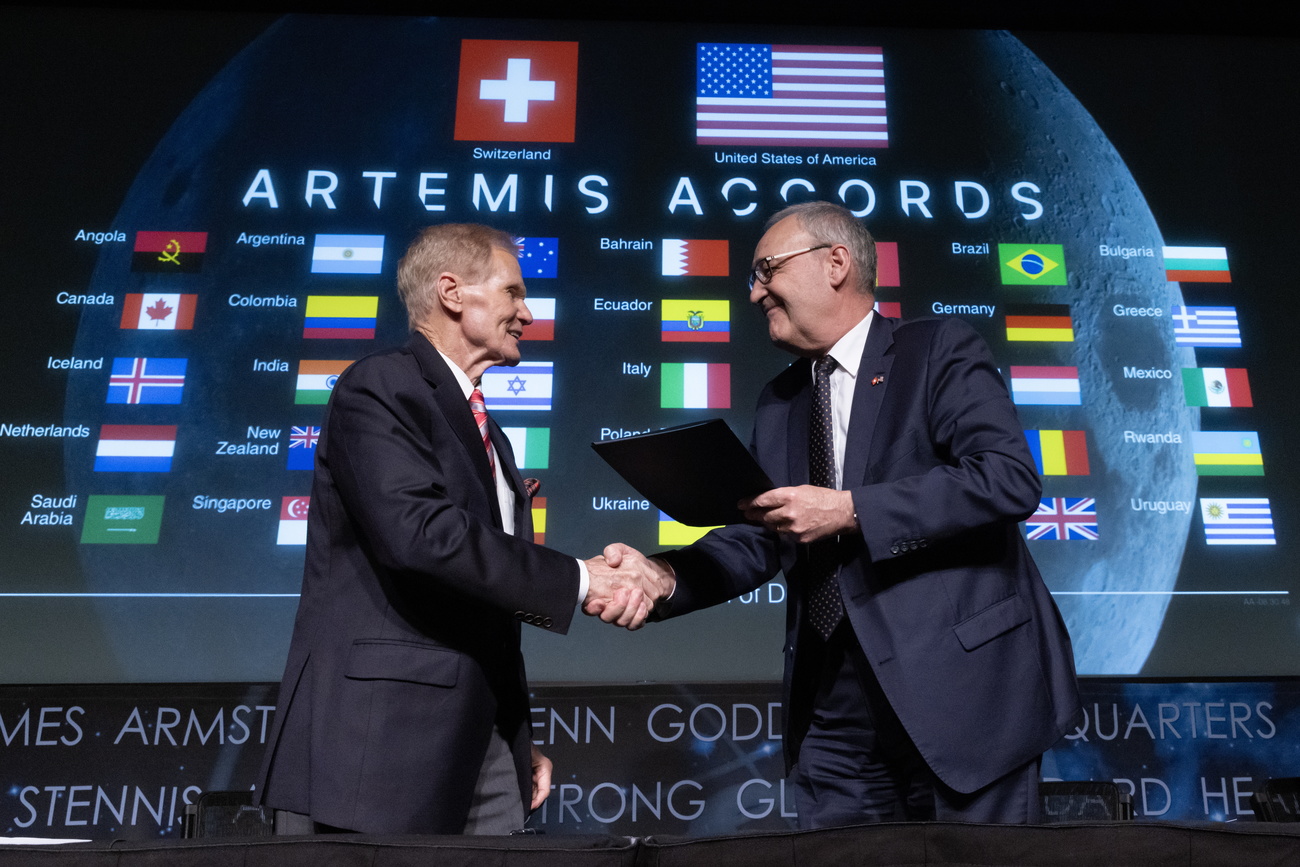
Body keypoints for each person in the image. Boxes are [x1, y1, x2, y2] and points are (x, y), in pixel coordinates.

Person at [606, 202, 1080, 825]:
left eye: (767, 270)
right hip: (834, 712)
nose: (754, 293)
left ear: (836, 264)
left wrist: (852, 510)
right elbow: (765, 535)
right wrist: (665, 577)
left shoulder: (936, 349)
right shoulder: (779, 401)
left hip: (963, 693)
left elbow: (1007, 478)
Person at [255, 223, 653, 835]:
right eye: (513, 292)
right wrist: (581, 579)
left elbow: (481, 599)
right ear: (451, 292)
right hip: (378, 745)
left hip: (479, 743)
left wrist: (510, 736)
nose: (528, 313)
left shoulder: (489, 431)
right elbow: (420, 535)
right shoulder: (381, 386)